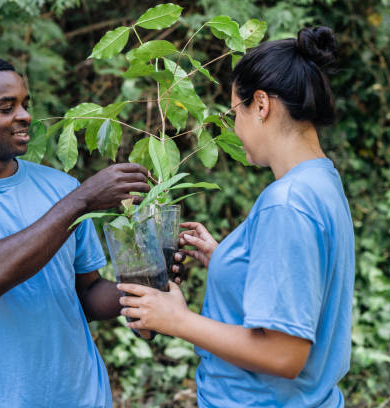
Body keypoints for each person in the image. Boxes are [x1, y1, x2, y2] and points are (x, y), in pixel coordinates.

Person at [0, 55, 182, 407]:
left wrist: (151, 281)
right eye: (7, 107)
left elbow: (85, 296)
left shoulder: (61, 186)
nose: (25, 116)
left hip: (82, 396)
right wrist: (83, 200)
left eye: (25, 104)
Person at [118, 26, 355, 407]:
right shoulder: (321, 180)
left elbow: (284, 354)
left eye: (234, 113)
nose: (234, 129)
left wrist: (176, 320)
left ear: (261, 105)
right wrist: (230, 261)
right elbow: (304, 281)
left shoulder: (287, 203)